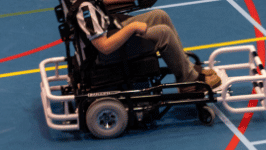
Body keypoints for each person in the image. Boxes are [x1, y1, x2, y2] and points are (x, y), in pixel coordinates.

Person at [74, 0, 221, 88]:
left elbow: (103, 3)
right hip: (104, 53)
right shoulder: (84, 9)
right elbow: (104, 47)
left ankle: (187, 71)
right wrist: (132, 27)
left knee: (160, 16)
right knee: (163, 33)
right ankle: (189, 82)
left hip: (111, 27)